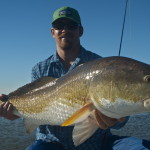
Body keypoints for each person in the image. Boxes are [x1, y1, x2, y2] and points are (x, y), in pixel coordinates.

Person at [0, 6, 150, 150]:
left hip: (98, 143)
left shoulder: (99, 64)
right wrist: (12, 112)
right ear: (53, 32)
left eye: (71, 25)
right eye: (59, 25)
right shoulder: (40, 69)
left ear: (80, 30)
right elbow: (29, 111)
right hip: (50, 143)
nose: (65, 30)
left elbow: (119, 123)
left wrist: (116, 120)